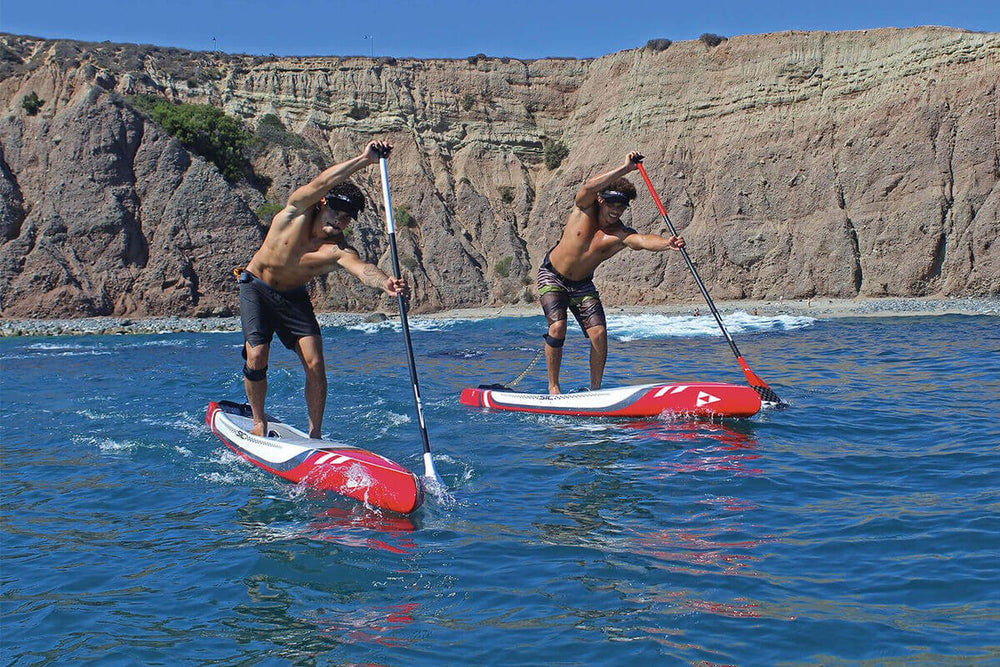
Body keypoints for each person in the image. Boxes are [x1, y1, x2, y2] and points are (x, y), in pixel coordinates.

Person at [238, 139, 405, 437]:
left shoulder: (334, 250)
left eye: (346, 218)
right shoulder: (295, 212)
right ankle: (258, 422)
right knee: (257, 355)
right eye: (336, 212)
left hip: (293, 298)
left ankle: (315, 435)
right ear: (324, 203)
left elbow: (361, 269)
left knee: (315, 363)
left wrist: (385, 283)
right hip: (256, 287)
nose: (339, 221)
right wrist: (365, 159)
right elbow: (325, 180)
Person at [537, 151, 685, 394]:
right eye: (613, 205)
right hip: (552, 275)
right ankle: (554, 388)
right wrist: (625, 168)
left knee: (599, 334)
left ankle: (595, 391)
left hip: (582, 285)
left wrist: (667, 244)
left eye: (622, 207)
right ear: (601, 201)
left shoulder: (620, 234)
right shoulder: (583, 209)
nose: (617, 211)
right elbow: (587, 187)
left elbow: (643, 240)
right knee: (557, 328)